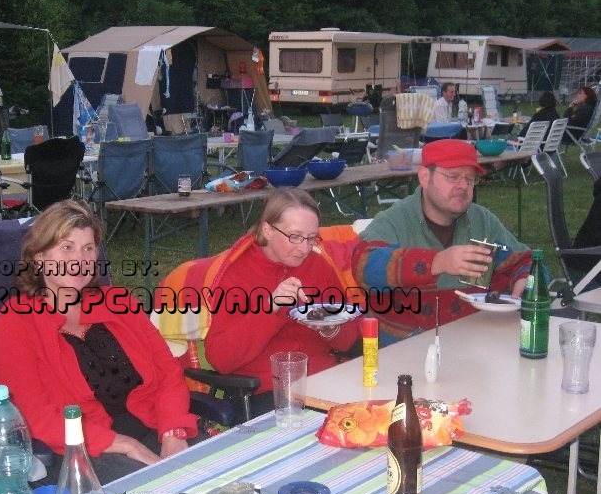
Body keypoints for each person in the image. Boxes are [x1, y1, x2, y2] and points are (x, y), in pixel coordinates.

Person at [0, 200, 200, 485]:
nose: (79, 260)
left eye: (88, 248)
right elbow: (31, 416)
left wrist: (174, 432)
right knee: (167, 492)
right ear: (38, 257)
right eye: (67, 247)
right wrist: (123, 444)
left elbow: (168, 372)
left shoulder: (118, 302)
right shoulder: (14, 324)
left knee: (222, 470)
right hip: (81, 449)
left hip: (155, 429)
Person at [352, 139, 531, 345]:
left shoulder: (481, 221)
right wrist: (437, 262)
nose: (463, 186)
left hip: (474, 344)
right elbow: (363, 266)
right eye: (453, 176)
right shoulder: (395, 221)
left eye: (470, 179)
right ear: (425, 177)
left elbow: (526, 262)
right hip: (405, 349)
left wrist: (524, 280)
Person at [200, 188, 362, 402]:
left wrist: (331, 329)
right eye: (294, 237)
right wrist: (269, 308)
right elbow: (221, 360)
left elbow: (349, 341)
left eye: (311, 238)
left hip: (324, 380)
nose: (304, 249)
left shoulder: (319, 266)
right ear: (268, 230)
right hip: (266, 391)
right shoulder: (235, 274)